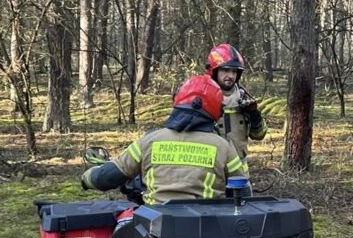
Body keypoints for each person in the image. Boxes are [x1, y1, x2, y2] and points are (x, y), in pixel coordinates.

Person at [81, 75, 249, 204]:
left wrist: (87, 178)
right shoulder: (224, 147)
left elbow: (108, 177)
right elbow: (242, 193)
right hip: (207, 235)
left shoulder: (149, 141)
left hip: (156, 234)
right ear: (216, 109)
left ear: (178, 101)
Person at [205, 43, 267, 161]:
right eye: (226, 70)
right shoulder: (203, 99)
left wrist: (254, 115)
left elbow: (259, 135)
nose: (230, 76)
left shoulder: (244, 99)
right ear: (214, 71)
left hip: (239, 169)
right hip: (211, 168)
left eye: (234, 71)